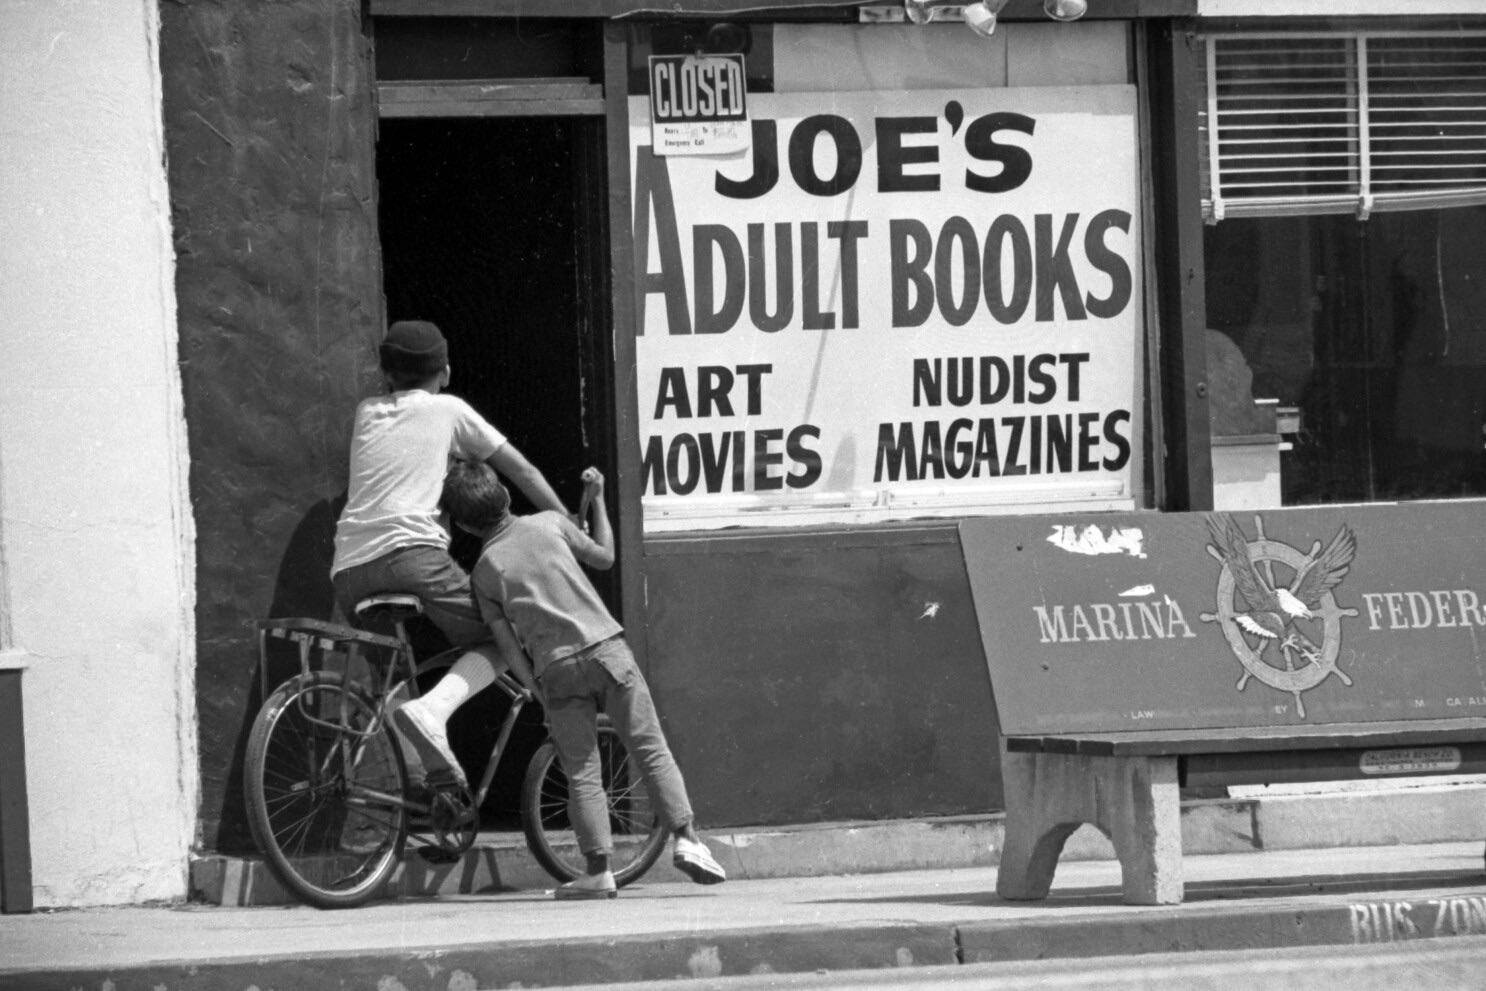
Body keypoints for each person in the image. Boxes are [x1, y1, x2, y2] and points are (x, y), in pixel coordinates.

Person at [415, 457, 727, 899]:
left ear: (463, 527)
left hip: (555, 669)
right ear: (504, 495)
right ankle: (688, 839)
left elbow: (508, 647)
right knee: (650, 749)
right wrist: (597, 502)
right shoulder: (548, 523)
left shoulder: (484, 572)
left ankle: (598, 870)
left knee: (582, 771)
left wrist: (535, 688)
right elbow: (605, 556)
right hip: (606, 650)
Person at [330, 319, 569, 789]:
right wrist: (563, 522)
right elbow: (520, 469)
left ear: (387, 375)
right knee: (505, 637)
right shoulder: (448, 409)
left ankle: (431, 796)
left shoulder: (367, 412)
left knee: (395, 674)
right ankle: (435, 711)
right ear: (445, 370)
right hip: (412, 556)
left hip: (349, 571)